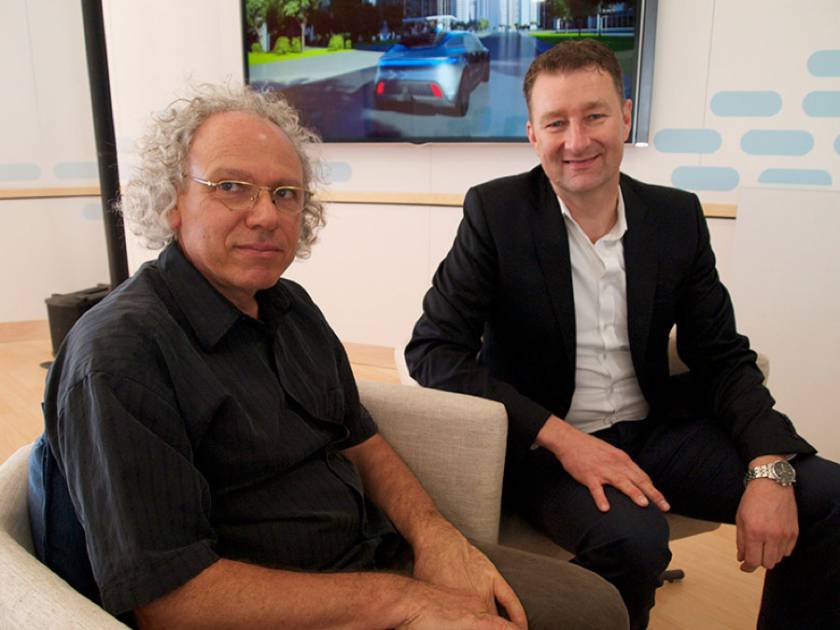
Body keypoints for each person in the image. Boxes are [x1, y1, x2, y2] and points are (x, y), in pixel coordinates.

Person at [27, 84, 629, 630]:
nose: (265, 215)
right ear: (172, 201)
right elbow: (171, 599)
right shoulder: (119, 357)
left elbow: (359, 438)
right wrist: (405, 603)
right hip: (277, 610)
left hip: (369, 560)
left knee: (596, 606)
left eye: (285, 194)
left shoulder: (287, 305)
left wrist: (435, 535)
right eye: (231, 186)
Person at [406, 40, 840, 630]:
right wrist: (561, 438)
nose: (577, 141)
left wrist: (769, 464)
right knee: (633, 541)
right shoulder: (496, 212)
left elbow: (721, 355)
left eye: (595, 116)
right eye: (556, 122)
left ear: (626, 116)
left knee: (828, 496)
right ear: (533, 135)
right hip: (547, 447)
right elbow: (433, 350)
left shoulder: (675, 216)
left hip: (657, 431)